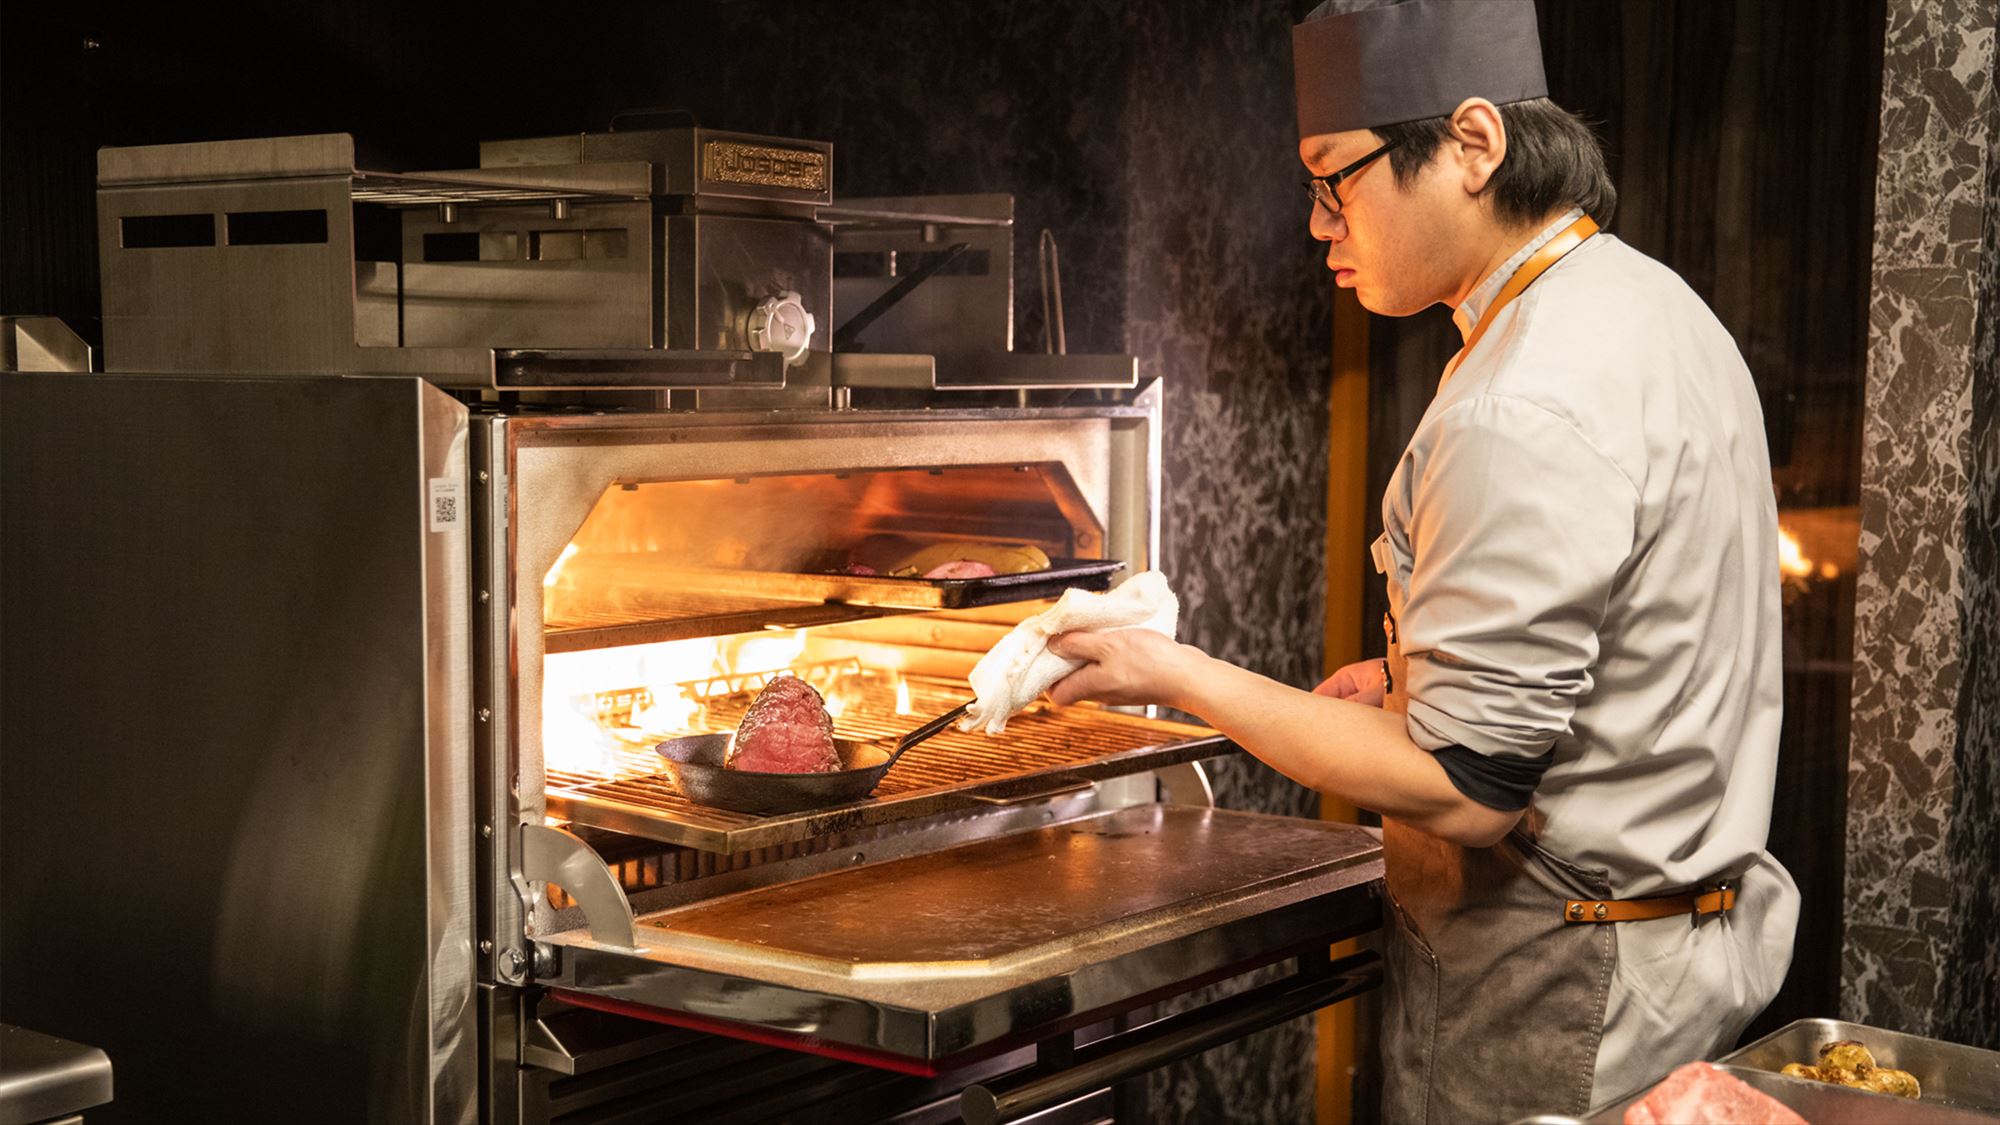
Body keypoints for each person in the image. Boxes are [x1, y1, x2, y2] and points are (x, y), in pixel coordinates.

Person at [1044, 0, 1799, 1119]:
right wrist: (1412, 689)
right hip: (1672, 949)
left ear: (1473, 146)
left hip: (1558, 984)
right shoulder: (1648, 305)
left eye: (1332, 180)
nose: (1316, 227)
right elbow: (1631, 646)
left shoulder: (1518, 398)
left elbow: (1464, 791)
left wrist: (1175, 675)